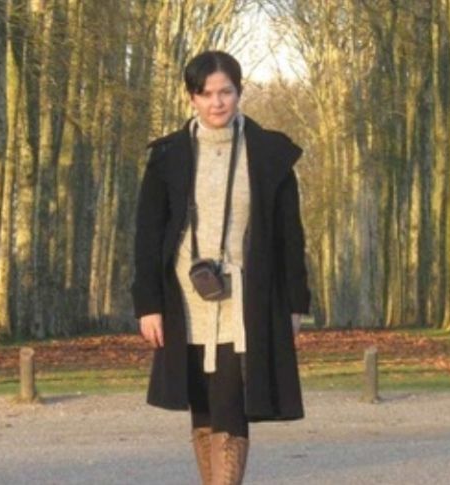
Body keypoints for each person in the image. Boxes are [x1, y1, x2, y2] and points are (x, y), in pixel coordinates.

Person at [131, 50, 311, 485]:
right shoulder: (168, 155)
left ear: (239, 91)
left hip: (245, 299)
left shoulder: (269, 154)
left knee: (231, 403)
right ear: (191, 97)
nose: (217, 102)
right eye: (206, 93)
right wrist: (148, 305)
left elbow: (290, 236)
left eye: (225, 92)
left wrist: (295, 304)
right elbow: (147, 236)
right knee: (202, 405)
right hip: (184, 300)